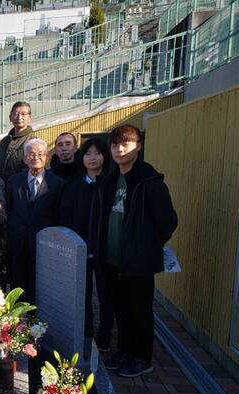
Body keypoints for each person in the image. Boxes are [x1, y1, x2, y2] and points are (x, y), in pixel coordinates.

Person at [92, 124, 177, 378]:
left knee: (139, 310)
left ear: (138, 146)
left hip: (137, 261)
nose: (119, 150)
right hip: (111, 259)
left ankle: (142, 357)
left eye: (125, 144)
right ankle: (125, 352)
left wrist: (146, 246)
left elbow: (168, 223)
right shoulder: (109, 180)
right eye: (115, 145)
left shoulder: (149, 183)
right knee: (121, 309)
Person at [60, 137, 113, 349]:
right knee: (82, 291)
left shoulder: (111, 185)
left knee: (105, 292)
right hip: (80, 247)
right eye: (88, 154)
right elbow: (65, 216)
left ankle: (105, 335)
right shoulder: (74, 186)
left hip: (105, 249)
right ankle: (86, 329)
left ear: (104, 156)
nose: (92, 158)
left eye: (97, 153)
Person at [6, 138, 66, 303]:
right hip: (17, 244)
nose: (35, 157)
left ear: (47, 158)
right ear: (25, 158)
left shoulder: (58, 184)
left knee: (40, 289)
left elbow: (59, 216)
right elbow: (9, 209)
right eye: (31, 154)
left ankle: (37, 325)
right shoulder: (13, 181)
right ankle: (16, 326)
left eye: (40, 154)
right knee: (16, 290)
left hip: (44, 245)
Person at [0, 101, 34, 182]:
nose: (19, 117)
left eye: (23, 114)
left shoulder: (32, 142)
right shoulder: (4, 142)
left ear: (29, 118)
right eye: (16, 113)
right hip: (0, 189)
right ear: (10, 117)